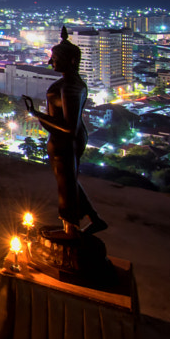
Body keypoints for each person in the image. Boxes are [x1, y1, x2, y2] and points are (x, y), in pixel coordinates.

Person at [24, 28, 108, 237]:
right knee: (68, 180)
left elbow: (69, 127)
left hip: (66, 140)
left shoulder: (70, 87)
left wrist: (37, 114)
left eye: (55, 59)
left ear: (70, 61)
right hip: (63, 140)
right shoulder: (71, 84)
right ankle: (93, 219)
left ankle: (71, 229)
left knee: (66, 184)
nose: (50, 63)